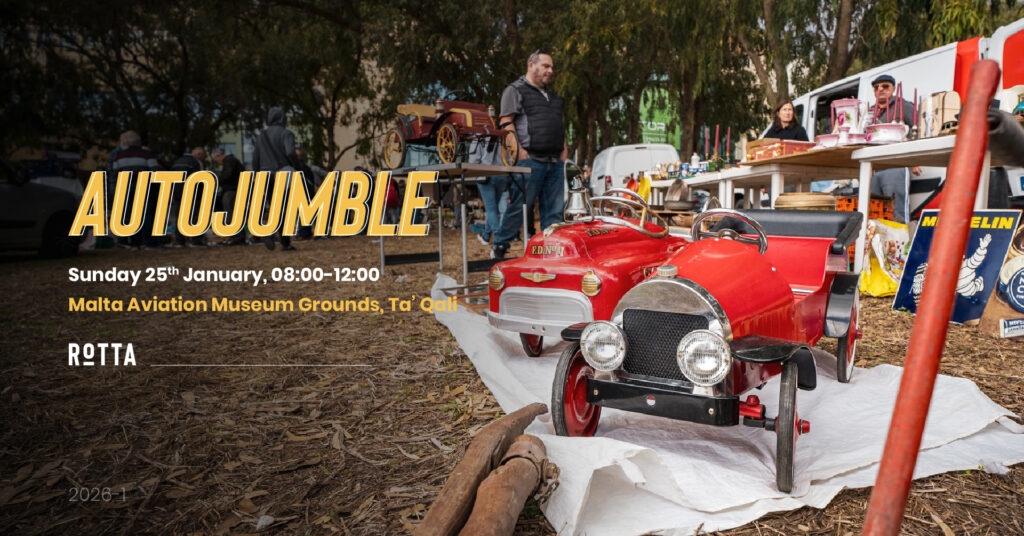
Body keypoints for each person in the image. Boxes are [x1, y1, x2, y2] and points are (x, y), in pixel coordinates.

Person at [491, 50, 568, 259]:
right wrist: (520, 151)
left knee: (554, 212)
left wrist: (564, 150)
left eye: (552, 67)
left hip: (555, 162)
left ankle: (550, 251)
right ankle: (500, 246)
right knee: (519, 207)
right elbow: (506, 122)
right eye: (546, 66)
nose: (550, 71)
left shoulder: (552, 96)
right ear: (531, 65)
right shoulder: (515, 90)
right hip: (530, 160)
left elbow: (559, 125)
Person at [868, 74, 920, 223]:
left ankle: (900, 239)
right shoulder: (870, 112)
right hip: (873, 167)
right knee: (874, 213)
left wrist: (913, 159)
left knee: (897, 212)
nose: (880, 89)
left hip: (895, 165)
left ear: (893, 88)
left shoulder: (903, 106)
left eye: (885, 86)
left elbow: (919, 130)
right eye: (876, 87)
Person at [252, 107, 302, 251]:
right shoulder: (286, 134)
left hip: (265, 175)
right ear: (283, 118)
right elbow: (290, 152)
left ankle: (270, 232)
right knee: (285, 208)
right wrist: (297, 167)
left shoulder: (261, 136)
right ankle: (284, 243)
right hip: (282, 173)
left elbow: (255, 158)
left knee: (274, 207)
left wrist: (256, 174)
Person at [110, 131, 159, 248]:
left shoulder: (119, 156)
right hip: (144, 184)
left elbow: (115, 172)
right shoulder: (147, 154)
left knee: (130, 214)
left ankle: (135, 243)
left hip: (125, 184)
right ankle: (150, 243)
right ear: (139, 142)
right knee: (147, 214)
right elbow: (155, 170)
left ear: (126, 142)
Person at [169, 147, 209, 246]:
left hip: (178, 193)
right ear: (199, 154)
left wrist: (172, 193)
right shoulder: (196, 163)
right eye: (204, 157)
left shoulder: (177, 162)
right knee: (195, 217)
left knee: (180, 218)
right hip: (193, 193)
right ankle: (196, 240)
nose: (204, 159)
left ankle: (179, 241)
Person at [211, 148, 247, 245]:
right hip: (236, 189)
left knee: (231, 213)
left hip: (232, 190)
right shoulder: (232, 161)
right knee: (234, 213)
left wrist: (216, 180)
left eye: (216, 161)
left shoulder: (229, 161)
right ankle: (237, 237)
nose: (218, 163)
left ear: (219, 156)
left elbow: (228, 175)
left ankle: (237, 237)